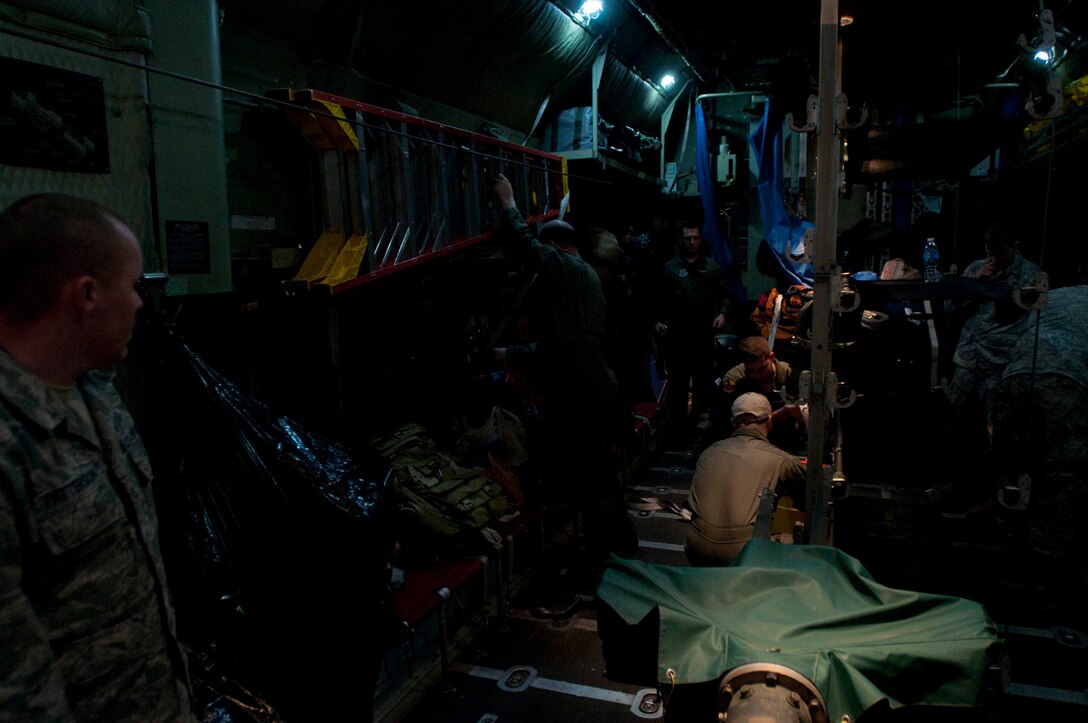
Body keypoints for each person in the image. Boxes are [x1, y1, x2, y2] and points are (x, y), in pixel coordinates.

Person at [0, 194, 195, 721]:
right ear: (86, 295)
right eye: (131, 287)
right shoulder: (9, 439)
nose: (138, 304)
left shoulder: (95, 390)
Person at [491, 174, 637, 571]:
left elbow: (527, 248)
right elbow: (558, 345)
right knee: (599, 476)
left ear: (558, 247)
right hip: (592, 381)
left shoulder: (570, 271)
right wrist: (510, 352)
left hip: (582, 389)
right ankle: (618, 549)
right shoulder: (583, 279)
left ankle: (606, 561)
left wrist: (508, 203)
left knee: (594, 479)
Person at [990, 283, 1088, 614]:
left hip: (1019, 372)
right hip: (1068, 382)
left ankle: (1009, 527)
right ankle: (1041, 564)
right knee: (1064, 476)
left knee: (1019, 463)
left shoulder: (1061, 294)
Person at [685, 392, 806, 566]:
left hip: (695, 548)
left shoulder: (709, 452)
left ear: (732, 423)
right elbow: (810, 501)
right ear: (769, 422)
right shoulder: (783, 460)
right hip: (742, 555)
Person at [945, 220, 1040, 441]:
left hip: (1001, 359)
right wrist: (974, 284)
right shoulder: (977, 268)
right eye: (990, 254)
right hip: (970, 355)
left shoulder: (1030, 275)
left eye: (1000, 255)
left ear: (1014, 247)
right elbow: (949, 306)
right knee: (952, 410)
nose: (994, 261)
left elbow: (1035, 316)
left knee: (999, 422)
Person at [654, 223, 737, 438]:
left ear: (701, 240)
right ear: (680, 241)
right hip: (677, 336)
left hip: (702, 335)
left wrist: (723, 314)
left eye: (695, 238)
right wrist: (658, 320)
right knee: (677, 386)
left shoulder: (711, 267)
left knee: (703, 385)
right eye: (687, 238)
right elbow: (657, 298)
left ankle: (697, 427)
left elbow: (727, 294)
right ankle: (677, 431)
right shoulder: (670, 268)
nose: (692, 242)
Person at [712, 335, 806, 451]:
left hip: (784, 441)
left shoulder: (790, 376)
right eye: (750, 371)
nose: (756, 375)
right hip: (747, 443)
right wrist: (782, 414)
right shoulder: (734, 379)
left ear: (771, 357)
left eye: (761, 368)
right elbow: (732, 423)